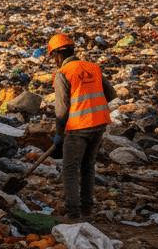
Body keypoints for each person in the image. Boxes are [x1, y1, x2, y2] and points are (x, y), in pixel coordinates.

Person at [48, 33, 116, 220]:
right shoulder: (93, 67)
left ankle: (73, 213)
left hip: (78, 127)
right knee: (88, 166)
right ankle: (87, 210)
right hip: (99, 123)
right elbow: (110, 94)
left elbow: (61, 111)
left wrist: (60, 135)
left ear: (58, 54)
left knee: (70, 169)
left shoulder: (63, 73)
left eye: (53, 57)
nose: (54, 61)